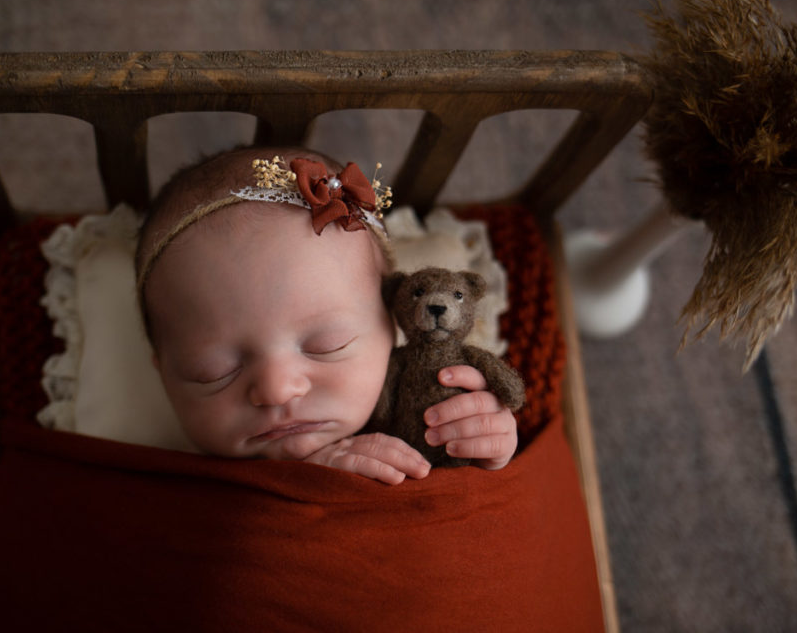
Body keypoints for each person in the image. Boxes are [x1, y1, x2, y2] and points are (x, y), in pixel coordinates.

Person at [134, 146, 518, 484]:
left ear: (392, 324)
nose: (277, 390)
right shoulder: (165, 488)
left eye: (325, 345)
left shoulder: (422, 407)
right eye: (214, 370)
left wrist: (487, 443)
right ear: (161, 369)